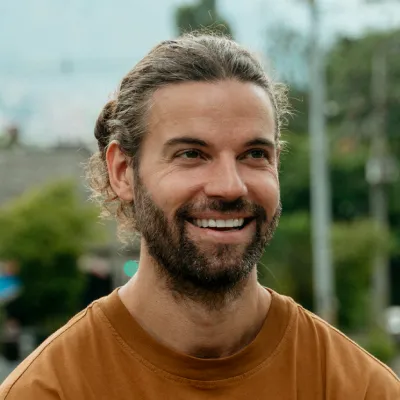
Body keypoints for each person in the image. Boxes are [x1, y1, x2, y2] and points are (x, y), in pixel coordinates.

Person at [0, 34, 398, 399]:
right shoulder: (49, 390)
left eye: (254, 154)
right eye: (191, 154)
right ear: (122, 172)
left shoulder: (357, 388)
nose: (230, 186)